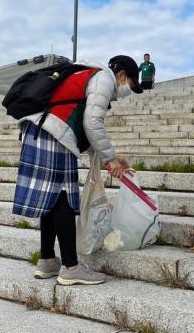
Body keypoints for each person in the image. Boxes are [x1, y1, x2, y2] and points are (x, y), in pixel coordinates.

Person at [12, 55, 142, 286]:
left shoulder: (86, 74)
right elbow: (92, 123)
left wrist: (109, 158)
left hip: (39, 130)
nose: (127, 90)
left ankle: (47, 260)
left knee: (50, 198)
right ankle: (71, 267)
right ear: (121, 75)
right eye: (131, 84)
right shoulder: (104, 78)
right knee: (61, 196)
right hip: (54, 133)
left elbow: (85, 126)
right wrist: (109, 159)